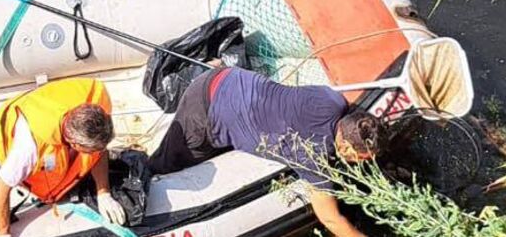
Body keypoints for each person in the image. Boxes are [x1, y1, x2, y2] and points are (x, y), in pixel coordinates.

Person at [148, 67, 384, 237]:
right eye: (359, 159)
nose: (359, 165)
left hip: (231, 77)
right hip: (204, 106)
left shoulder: (333, 100)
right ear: (344, 146)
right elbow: (332, 218)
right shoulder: (314, 160)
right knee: (164, 166)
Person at [0, 77, 126, 235]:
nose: (98, 152)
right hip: (2, 131)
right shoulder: (27, 149)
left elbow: (99, 153)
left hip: (42, 108)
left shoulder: (97, 101)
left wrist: (104, 193)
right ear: (74, 143)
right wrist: (2, 232)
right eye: (92, 149)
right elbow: (1, 186)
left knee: (51, 166)